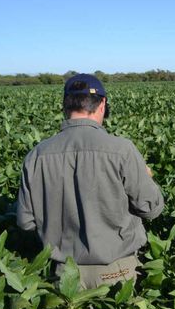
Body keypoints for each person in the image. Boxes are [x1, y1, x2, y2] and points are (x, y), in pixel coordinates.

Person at [16, 74, 164, 289]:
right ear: (102, 104)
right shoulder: (121, 150)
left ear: (65, 105)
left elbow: (25, 222)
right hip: (118, 272)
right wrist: (147, 178)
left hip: (65, 276)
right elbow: (150, 208)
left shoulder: (36, 155)